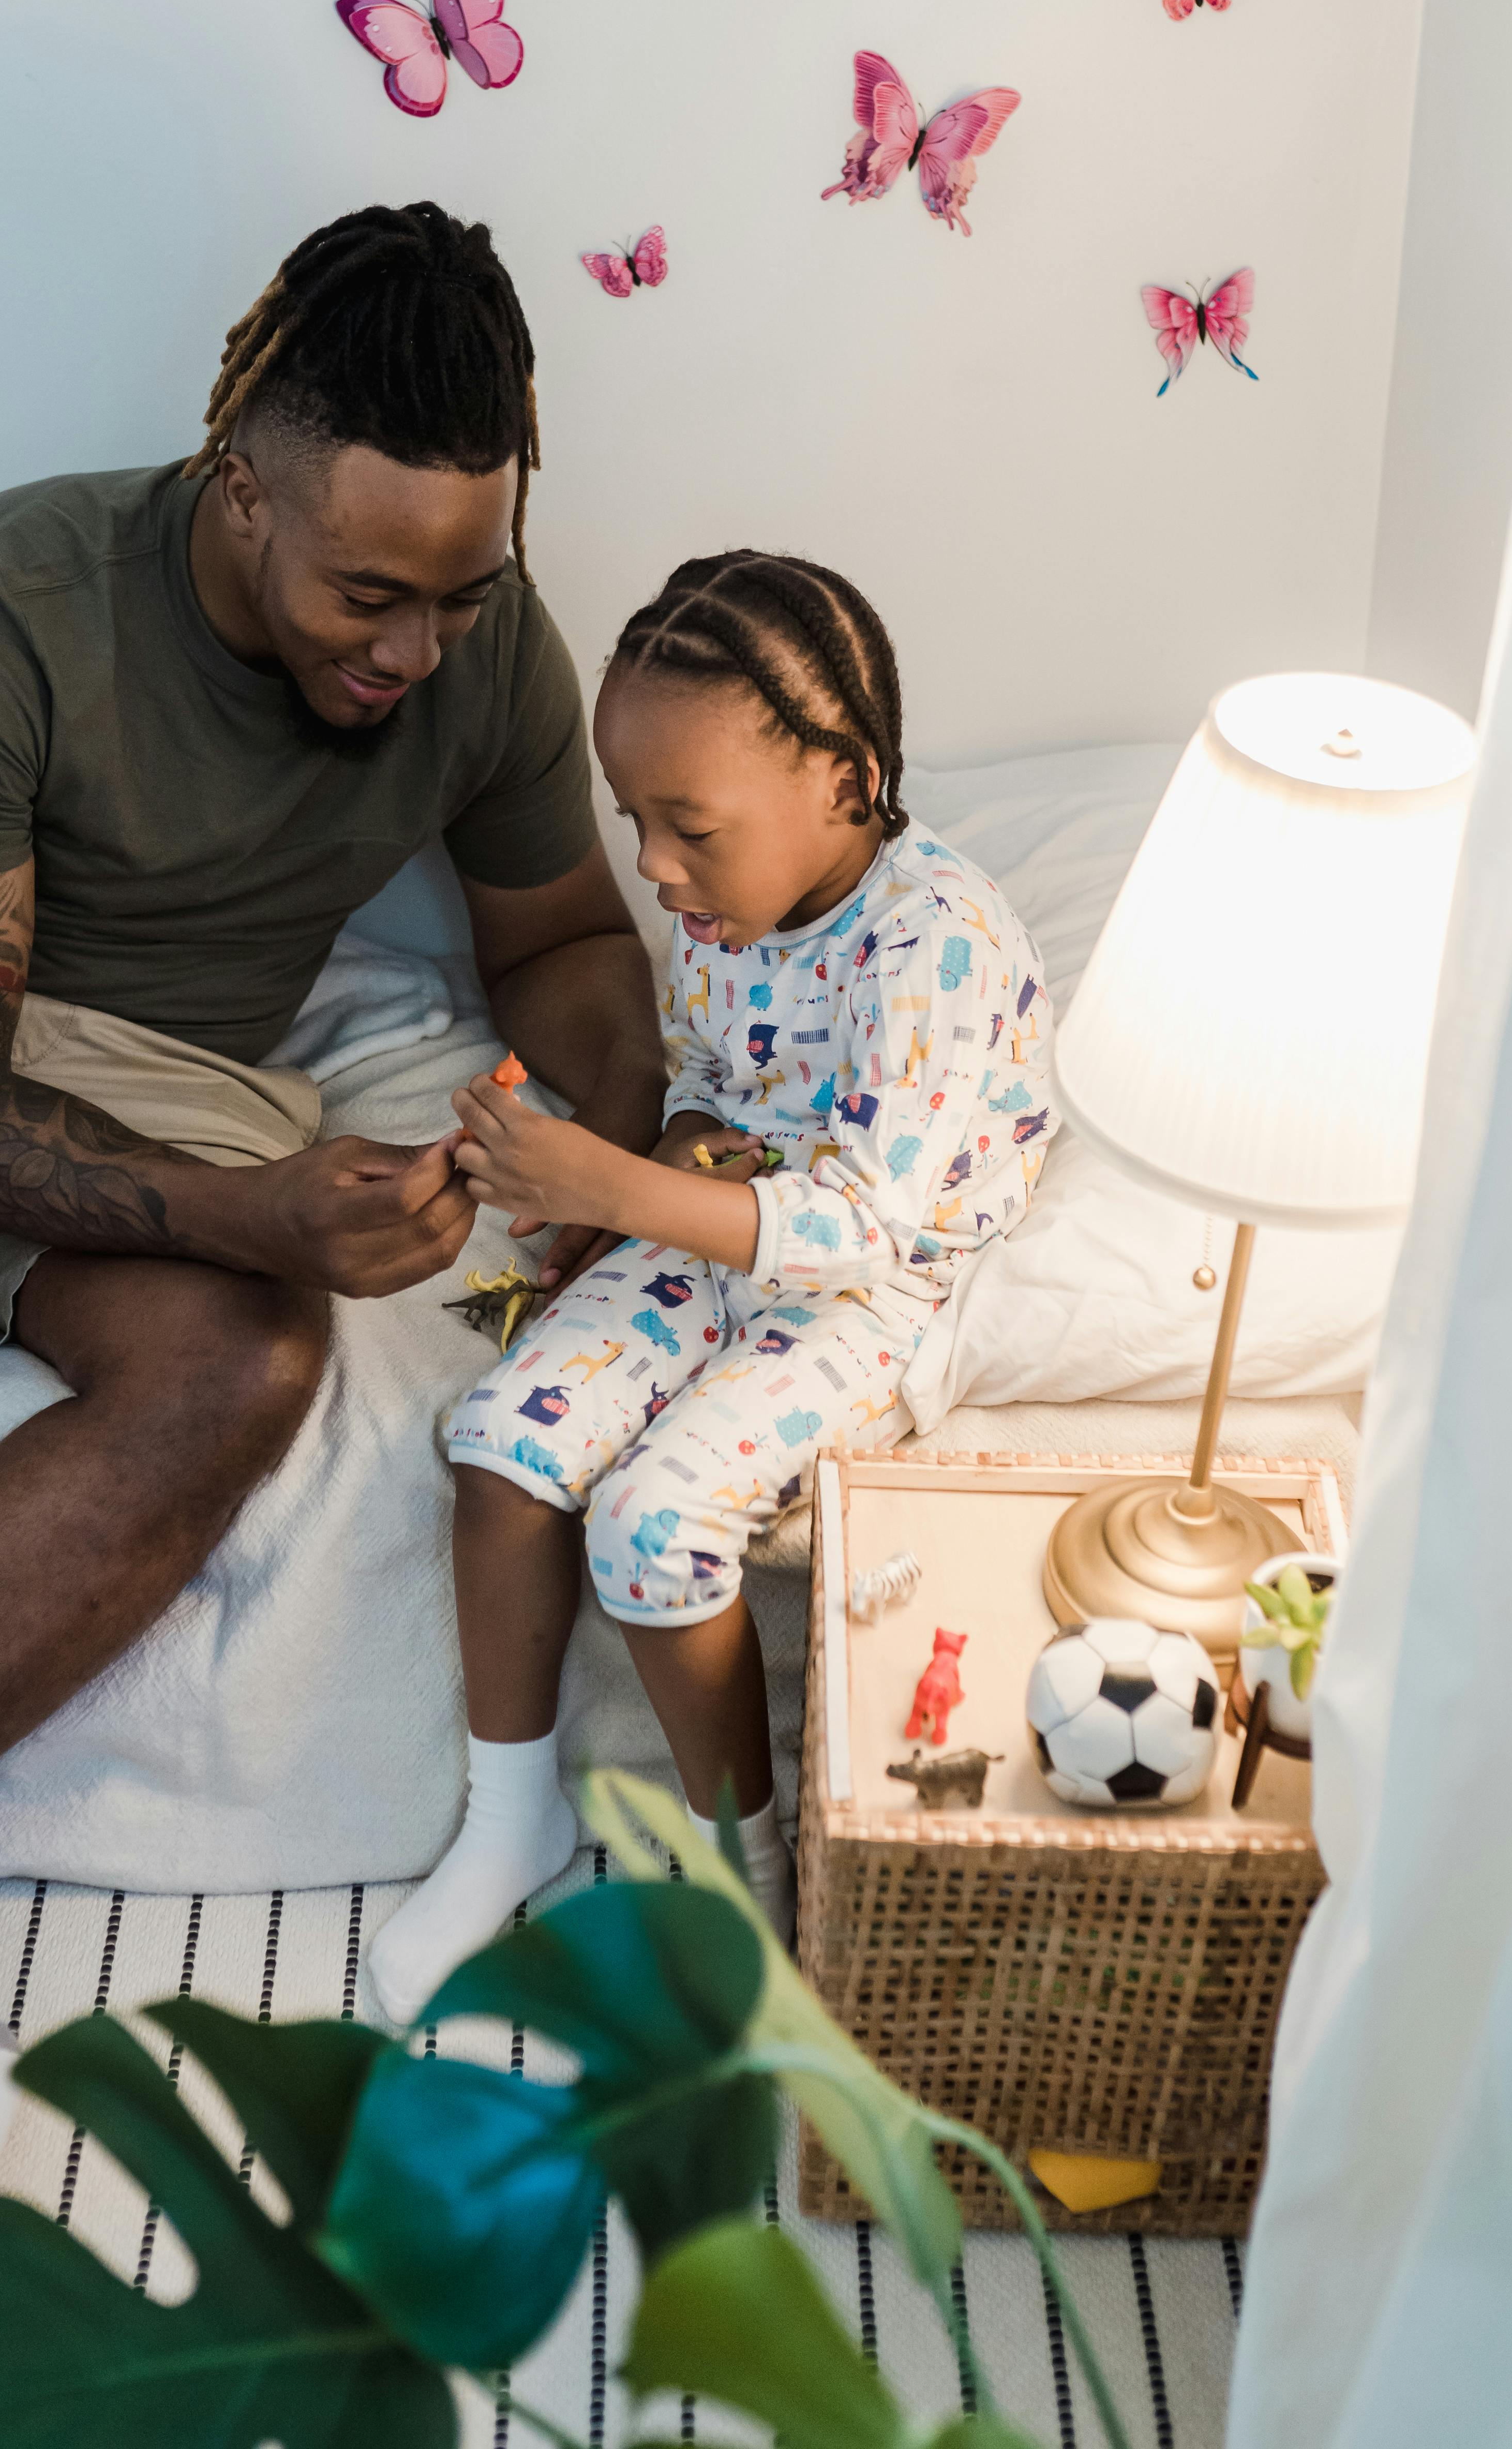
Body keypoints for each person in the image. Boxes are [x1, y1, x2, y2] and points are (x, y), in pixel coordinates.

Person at [0, 202, 665, 2324]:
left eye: (461, 595)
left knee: (248, 1372)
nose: (413, 652)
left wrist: (572, 1142)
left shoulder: (486, 647)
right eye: (370, 592)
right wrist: (275, 1210)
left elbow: (562, 936)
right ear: (234, 478)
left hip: (181, 1082)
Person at [366, 549, 1053, 2024]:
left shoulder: (934, 941)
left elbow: (869, 1223)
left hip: (871, 1276)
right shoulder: (718, 907)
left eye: (688, 829)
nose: (656, 871)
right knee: (498, 1451)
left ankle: (750, 1882)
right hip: (717, 1209)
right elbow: (711, 1079)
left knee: (656, 1524)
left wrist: (626, 1188)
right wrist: (621, 1187)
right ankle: (511, 1822)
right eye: (635, 825)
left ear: (847, 783)